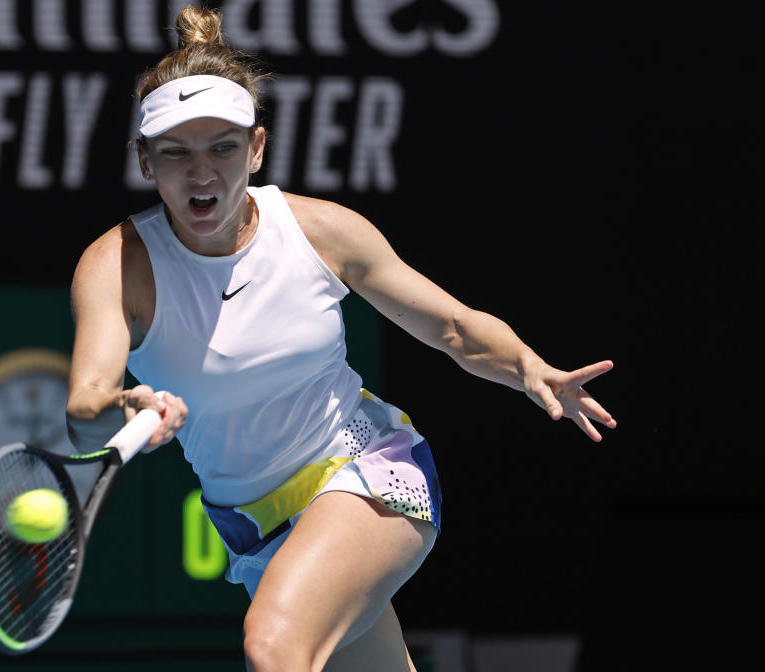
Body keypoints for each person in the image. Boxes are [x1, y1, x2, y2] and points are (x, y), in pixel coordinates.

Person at [65, 6, 616, 671]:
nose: (201, 172)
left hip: (367, 468)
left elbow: (452, 326)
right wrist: (125, 409)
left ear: (257, 148)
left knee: (275, 648)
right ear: (146, 162)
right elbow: (84, 410)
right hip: (255, 527)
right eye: (176, 153)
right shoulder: (115, 265)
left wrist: (529, 367)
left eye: (223, 147)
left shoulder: (321, 232)